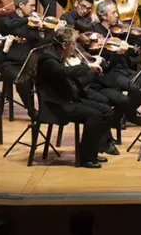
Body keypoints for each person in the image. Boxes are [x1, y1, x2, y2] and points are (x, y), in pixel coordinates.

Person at [34, 27, 117, 169]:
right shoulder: (47, 59)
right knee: (94, 115)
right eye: (73, 44)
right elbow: (64, 72)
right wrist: (88, 67)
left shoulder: (58, 56)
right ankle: (86, 158)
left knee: (108, 111)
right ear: (64, 45)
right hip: (56, 105)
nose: (75, 47)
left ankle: (90, 150)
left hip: (68, 99)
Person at [0, 0, 46, 120]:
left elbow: (39, 43)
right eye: (31, 5)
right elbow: (7, 26)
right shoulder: (6, 19)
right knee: (23, 80)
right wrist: (27, 20)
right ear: (21, 5)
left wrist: (45, 30)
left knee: (47, 76)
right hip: (10, 63)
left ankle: (46, 111)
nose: (34, 8)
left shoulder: (32, 24)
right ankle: (32, 111)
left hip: (29, 62)